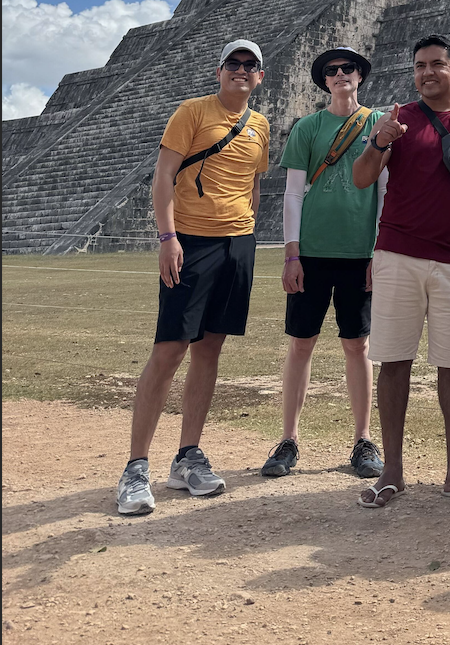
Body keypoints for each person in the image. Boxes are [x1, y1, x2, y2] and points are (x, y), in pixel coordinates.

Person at [351, 35, 450, 509]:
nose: (427, 73)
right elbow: (362, 178)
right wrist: (380, 140)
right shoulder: (396, 118)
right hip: (398, 253)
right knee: (394, 360)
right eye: (419, 65)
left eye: (437, 64)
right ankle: (393, 471)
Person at [116, 40, 270, 515]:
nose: (241, 71)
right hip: (192, 241)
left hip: (237, 244)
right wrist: (167, 237)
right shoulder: (192, 112)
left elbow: (254, 184)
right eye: (234, 64)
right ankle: (135, 466)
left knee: (210, 348)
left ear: (260, 77)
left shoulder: (261, 125)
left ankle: (187, 456)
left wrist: (244, 237)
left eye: (250, 66)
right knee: (170, 348)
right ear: (219, 71)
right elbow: (163, 176)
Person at [262, 47, 386, 480]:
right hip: (311, 254)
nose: (339, 75)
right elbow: (293, 193)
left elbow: (384, 191)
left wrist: (378, 251)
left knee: (358, 346)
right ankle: (289, 438)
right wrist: (291, 253)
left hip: (359, 254)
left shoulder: (378, 123)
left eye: (347, 68)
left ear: (360, 75)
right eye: (331, 71)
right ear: (324, 81)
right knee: (301, 343)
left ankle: (363, 438)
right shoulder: (308, 128)